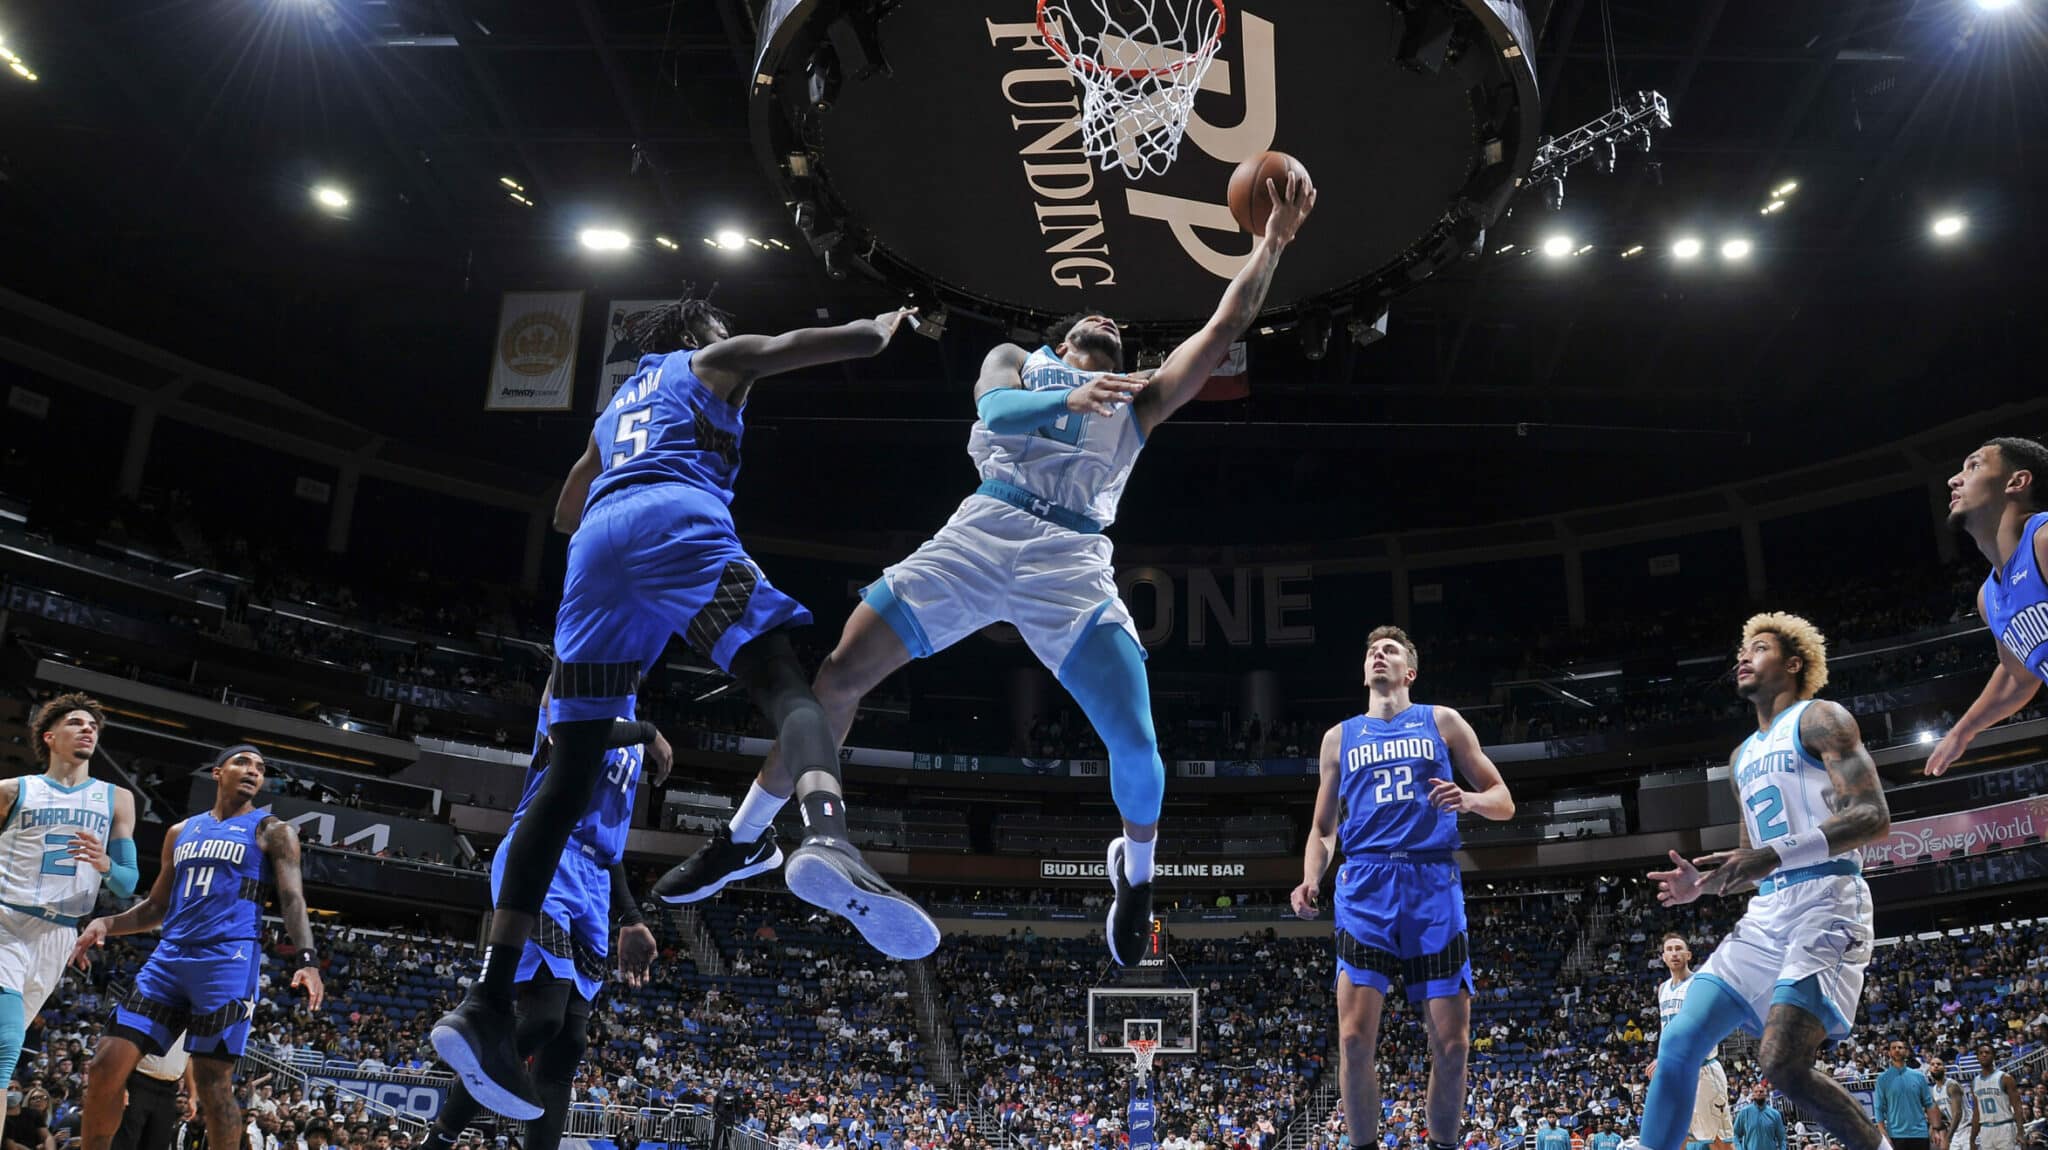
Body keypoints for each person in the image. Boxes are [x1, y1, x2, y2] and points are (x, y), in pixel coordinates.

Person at [658, 173, 1319, 967]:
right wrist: (1067, 401)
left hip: (1070, 561)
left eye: (1120, 327)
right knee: (835, 679)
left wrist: (1271, 243)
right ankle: (746, 839)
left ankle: (1136, 880)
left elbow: (1222, 326)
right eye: (1095, 318)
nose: (1111, 319)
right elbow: (995, 414)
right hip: (981, 531)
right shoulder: (1021, 358)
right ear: (1067, 337)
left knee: (1140, 747)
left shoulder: (1139, 398)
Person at [433, 292, 927, 1120]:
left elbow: (564, 508)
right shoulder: (709, 362)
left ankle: (484, 1002)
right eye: (722, 331)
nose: (731, 341)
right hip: (675, 519)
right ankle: (827, 835)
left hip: (596, 551)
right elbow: (816, 341)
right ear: (698, 336)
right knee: (784, 683)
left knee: (567, 773)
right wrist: (882, 328)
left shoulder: (614, 407)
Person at [1643, 613, 1892, 1150]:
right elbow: (1750, 857)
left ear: (1794, 663)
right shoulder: (1741, 757)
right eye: (1741, 649)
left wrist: (1769, 855)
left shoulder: (1821, 718)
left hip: (1828, 899)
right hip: (1768, 911)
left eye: (1758, 648)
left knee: (1781, 1065)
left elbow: (1873, 816)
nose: (1743, 656)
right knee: (1679, 1042)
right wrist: (1704, 885)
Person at [1289, 626, 1515, 1150]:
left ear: (1409, 671)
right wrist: (1309, 877)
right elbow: (1324, 830)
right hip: (1365, 883)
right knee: (1351, 1038)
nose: (1377, 654)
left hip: (1431, 882)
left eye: (1389, 650)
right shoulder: (1338, 737)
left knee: (1453, 1045)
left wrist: (1469, 800)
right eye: (1371, 650)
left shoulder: (1443, 721)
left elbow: (1504, 799)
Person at [422, 699, 666, 1150]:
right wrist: (648, 733)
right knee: (546, 1017)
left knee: (569, 1040)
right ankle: (441, 1136)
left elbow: (608, 845)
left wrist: (631, 917)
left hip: (593, 876)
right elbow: (580, 732)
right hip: (547, 853)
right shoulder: (578, 676)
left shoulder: (632, 725)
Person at [70, 745, 325, 1150]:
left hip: (226, 963)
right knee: (104, 1067)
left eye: (260, 768)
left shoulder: (274, 830)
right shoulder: (181, 832)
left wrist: (307, 959)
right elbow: (156, 907)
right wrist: (106, 923)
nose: (253, 771)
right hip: (169, 960)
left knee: (212, 1086)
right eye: (243, 762)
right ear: (217, 772)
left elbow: (293, 898)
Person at [0, 694, 140, 1092]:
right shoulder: (12, 790)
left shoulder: (117, 799)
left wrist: (105, 864)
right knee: (6, 1045)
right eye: (77, 723)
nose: (88, 729)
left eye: (93, 726)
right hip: (6, 921)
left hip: (59, 935)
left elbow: (127, 883)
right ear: (49, 736)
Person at [1926, 437, 2048, 776]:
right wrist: (1962, 731)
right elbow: (2017, 677)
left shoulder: (2044, 540)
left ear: (2017, 482)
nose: (1954, 479)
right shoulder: (1989, 598)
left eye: (1974, 465)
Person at [1651, 933, 1732, 1150]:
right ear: (1663, 957)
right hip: (1676, 1073)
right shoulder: (1663, 989)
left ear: (1688, 954)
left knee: (1718, 1142)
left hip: (1702, 1071)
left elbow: (1702, 1030)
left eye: (1679, 948)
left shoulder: (1700, 984)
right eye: (1669, 949)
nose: (1674, 953)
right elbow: (1666, 1030)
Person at [109, 1032, 194, 1150]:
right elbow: (127, 1044)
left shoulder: (193, 1024)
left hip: (169, 1090)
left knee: (158, 1143)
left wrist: (192, 1096)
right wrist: (122, 1084)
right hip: (138, 1082)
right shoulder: (155, 1015)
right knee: (126, 1141)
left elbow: (189, 1059)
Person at [1875, 1040, 1938, 1150]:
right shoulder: (1882, 1079)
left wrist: (1935, 1128)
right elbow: (1879, 1108)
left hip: (1920, 1134)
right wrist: (1883, 1133)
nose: (1897, 1050)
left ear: (1906, 1052)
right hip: (1895, 1135)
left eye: (1900, 1047)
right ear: (1889, 1053)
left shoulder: (1919, 1076)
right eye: (1893, 1048)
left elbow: (1929, 1104)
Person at [1971, 1040, 2022, 1150]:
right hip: (1985, 1129)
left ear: (1993, 1056)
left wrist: (2021, 1131)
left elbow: (2017, 1106)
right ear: (1977, 1057)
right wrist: (1972, 1138)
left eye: (1987, 1052)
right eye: (1980, 1053)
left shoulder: (2005, 1078)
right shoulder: (1975, 1082)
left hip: (2005, 1127)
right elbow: (1976, 1112)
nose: (1984, 1055)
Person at [1732, 1083, 1784, 1150]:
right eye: (1756, 1092)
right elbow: (1735, 1134)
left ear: (1766, 1094)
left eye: (1761, 1091)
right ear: (1752, 1095)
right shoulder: (1744, 1112)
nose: (1759, 1093)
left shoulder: (1775, 1114)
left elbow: (1782, 1138)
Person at [1930, 1057, 1966, 1150]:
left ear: (1945, 1069)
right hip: (1955, 1131)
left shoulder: (1951, 1085)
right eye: (1932, 1064)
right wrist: (1934, 1129)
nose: (1935, 1066)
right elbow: (1940, 1115)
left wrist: (1948, 1137)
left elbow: (1957, 1113)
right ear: (1929, 1070)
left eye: (1938, 1064)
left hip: (1966, 1129)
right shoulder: (1934, 1090)